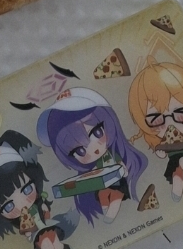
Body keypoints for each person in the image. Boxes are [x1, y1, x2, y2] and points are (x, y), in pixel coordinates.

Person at [38, 87, 148, 225]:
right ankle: (107, 210)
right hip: (104, 185)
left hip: (118, 182)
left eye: (97, 133)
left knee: (116, 195)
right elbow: (96, 172)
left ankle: (112, 211)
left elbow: (120, 163)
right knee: (102, 194)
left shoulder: (114, 155)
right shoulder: (94, 166)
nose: (93, 149)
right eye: (80, 151)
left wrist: (123, 169)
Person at [127, 56, 183, 201]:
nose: (170, 125)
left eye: (181, 114)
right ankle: (177, 192)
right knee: (176, 174)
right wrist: (161, 152)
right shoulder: (163, 143)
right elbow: (161, 153)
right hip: (173, 160)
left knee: (182, 160)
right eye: (156, 119)